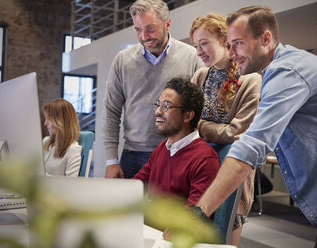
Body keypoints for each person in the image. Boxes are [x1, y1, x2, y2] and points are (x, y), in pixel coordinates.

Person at [195, 6, 317, 247]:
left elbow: (252, 145)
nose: (232, 52)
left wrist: (200, 211)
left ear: (266, 38)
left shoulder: (287, 71)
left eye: (237, 43)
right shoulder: (277, 71)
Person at [102, 0, 204, 179]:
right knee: (129, 208)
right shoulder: (122, 60)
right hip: (132, 155)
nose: (144, 36)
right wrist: (111, 161)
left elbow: (200, 110)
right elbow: (111, 110)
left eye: (150, 28)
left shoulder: (192, 58)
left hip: (176, 153)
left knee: (170, 208)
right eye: (138, 30)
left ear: (167, 23)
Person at [190, 13, 261, 246]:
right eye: (195, 45)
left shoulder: (251, 79)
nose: (199, 51)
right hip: (199, 169)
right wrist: (214, 129)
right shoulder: (200, 76)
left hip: (231, 170)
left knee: (223, 240)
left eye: (204, 43)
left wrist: (199, 126)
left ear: (223, 40)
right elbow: (187, 122)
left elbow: (237, 133)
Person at [133, 78, 220, 206]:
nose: (158, 111)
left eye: (166, 106)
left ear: (187, 116)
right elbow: (135, 187)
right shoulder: (162, 149)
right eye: (158, 104)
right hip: (148, 224)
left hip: (170, 226)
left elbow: (195, 216)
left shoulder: (205, 158)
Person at [42, 98, 81, 177]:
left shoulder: (73, 149)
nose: (45, 123)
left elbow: (70, 184)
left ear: (60, 121)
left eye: (49, 119)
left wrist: (42, 176)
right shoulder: (46, 142)